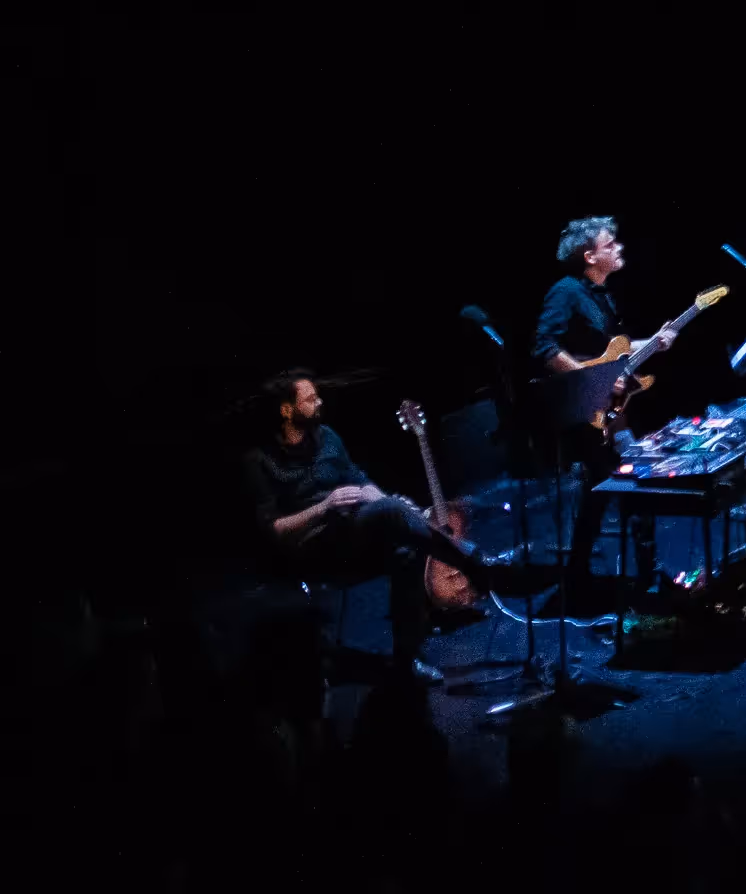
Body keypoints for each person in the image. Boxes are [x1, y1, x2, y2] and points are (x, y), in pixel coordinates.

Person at [242, 371, 491, 682]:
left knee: (404, 551)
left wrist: (382, 499)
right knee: (391, 510)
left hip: (353, 532)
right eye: (310, 399)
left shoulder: (328, 437)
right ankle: (471, 558)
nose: (319, 402)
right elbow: (275, 529)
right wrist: (325, 505)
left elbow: (359, 479)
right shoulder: (259, 461)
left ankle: (406, 661)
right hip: (313, 545)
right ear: (286, 410)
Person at [529, 218, 673, 602]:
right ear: (589, 256)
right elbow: (544, 347)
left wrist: (654, 341)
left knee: (602, 487)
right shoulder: (566, 291)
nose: (619, 248)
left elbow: (613, 352)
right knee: (631, 478)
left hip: (609, 411)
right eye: (610, 245)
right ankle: (648, 576)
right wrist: (592, 382)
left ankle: (580, 574)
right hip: (584, 408)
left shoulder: (601, 297)